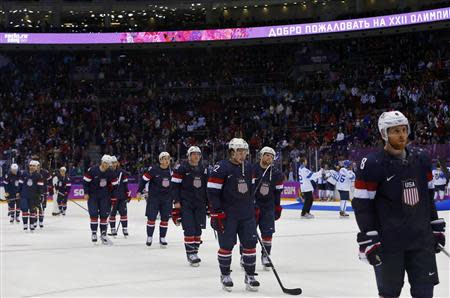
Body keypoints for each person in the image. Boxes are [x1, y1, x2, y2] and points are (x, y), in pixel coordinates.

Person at [352, 111, 446, 298]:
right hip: (389, 243)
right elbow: (362, 205)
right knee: (389, 293)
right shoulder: (372, 163)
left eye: (404, 129)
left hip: (421, 240)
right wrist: (370, 238)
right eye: (395, 131)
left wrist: (435, 227)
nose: (402, 135)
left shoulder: (421, 159)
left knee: (425, 292)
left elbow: (428, 197)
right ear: (384, 134)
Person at [207, 138, 259, 292]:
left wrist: (253, 206)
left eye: (245, 151)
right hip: (227, 215)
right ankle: (225, 275)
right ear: (232, 152)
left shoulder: (249, 168)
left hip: (246, 214)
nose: (243, 154)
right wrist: (216, 212)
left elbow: (252, 190)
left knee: (250, 245)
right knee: (226, 246)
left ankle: (250, 275)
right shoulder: (221, 167)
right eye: (240, 151)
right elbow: (212, 191)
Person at [171, 146, 208, 266]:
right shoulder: (181, 168)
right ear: (188, 156)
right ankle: (190, 253)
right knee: (189, 228)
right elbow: (174, 186)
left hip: (200, 203)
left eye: (198, 154)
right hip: (186, 203)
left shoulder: (204, 169)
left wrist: (210, 203)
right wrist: (176, 201)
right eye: (193, 154)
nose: (196, 156)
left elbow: (208, 187)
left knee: (198, 229)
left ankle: (195, 252)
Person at [252, 146, 283, 270]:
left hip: (268, 206)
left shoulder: (276, 173)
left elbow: (278, 192)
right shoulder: (252, 169)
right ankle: (245, 256)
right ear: (261, 156)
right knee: (249, 233)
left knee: (268, 232)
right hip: (252, 206)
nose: (269, 157)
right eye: (266, 155)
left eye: (271, 156)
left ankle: (266, 255)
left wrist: (277, 207)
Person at [137, 152, 172, 248]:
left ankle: (162, 238)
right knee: (151, 218)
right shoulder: (153, 170)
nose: (166, 161)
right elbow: (144, 180)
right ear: (160, 160)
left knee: (165, 219)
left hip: (167, 199)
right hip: (154, 198)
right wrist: (139, 191)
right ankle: (149, 237)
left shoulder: (171, 171)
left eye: (168, 159)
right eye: (164, 159)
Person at [83, 155, 117, 245]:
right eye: (105, 163)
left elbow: (115, 185)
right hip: (93, 196)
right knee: (93, 214)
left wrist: (113, 196)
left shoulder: (111, 172)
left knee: (103, 216)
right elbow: (85, 182)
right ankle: (94, 232)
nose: (107, 165)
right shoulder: (93, 170)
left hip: (105, 197)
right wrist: (86, 193)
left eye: (108, 164)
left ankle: (103, 234)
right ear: (102, 162)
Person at [18, 160, 44, 232]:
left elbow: (40, 187)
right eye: (30, 165)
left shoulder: (39, 176)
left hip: (34, 197)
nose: (31, 167)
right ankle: (25, 225)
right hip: (24, 195)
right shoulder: (24, 174)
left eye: (33, 166)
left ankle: (32, 225)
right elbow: (20, 184)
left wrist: (40, 195)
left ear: (36, 167)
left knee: (32, 211)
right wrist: (18, 192)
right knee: (24, 210)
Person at [109, 156, 131, 237]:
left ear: (117, 163)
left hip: (122, 197)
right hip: (112, 198)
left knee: (123, 213)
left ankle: (125, 229)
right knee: (112, 214)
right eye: (112, 163)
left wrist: (127, 194)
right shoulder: (107, 172)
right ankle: (113, 229)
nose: (114, 164)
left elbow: (125, 185)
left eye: (115, 162)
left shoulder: (122, 172)